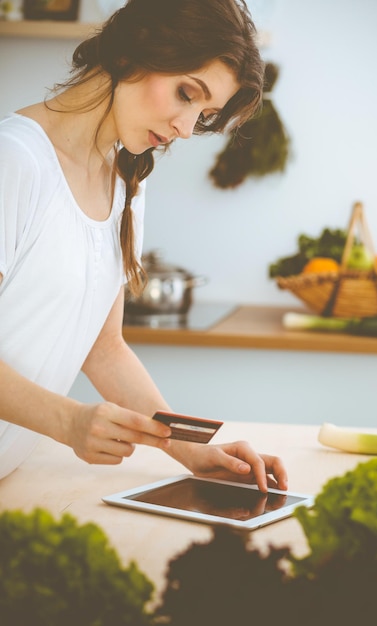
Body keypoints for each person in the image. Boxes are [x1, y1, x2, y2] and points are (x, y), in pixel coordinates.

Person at [0, 0, 288, 492]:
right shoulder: (16, 160)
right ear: (137, 50)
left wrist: (194, 451)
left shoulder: (127, 180)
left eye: (204, 115)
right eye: (185, 93)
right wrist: (67, 422)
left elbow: (104, 348)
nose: (184, 127)